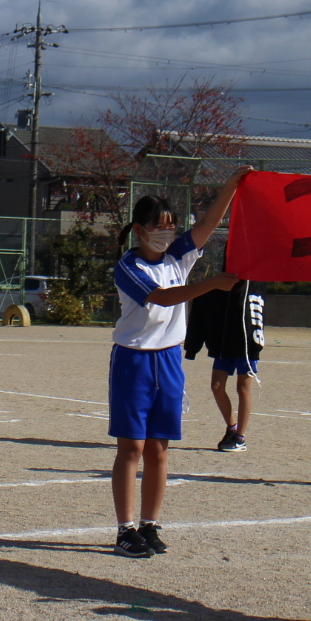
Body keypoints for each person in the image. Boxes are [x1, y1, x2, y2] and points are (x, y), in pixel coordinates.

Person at [106, 174, 244, 558]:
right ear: (139, 230)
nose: (167, 234)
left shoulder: (177, 256)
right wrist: (212, 283)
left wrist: (232, 184)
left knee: (159, 449)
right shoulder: (129, 266)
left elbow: (207, 224)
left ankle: (150, 524)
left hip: (168, 358)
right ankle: (124, 529)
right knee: (131, 446)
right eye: (158, 227)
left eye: (171, 227)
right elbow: (162, 298)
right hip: (133, 358)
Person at [185, 276, 263, 452]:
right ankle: (231, 428)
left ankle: (240, 437)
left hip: (246, 343)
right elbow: (201, 306)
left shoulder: (254, 282)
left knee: (243, 388)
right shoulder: (222, 280)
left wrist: (255, 342)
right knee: (216, 386)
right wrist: (193, 345)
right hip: (224, 344)